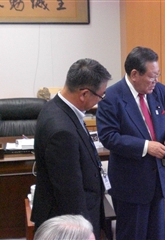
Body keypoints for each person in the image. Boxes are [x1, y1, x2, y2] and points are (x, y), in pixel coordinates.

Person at [96, 46, 165, 240]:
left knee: (156, 235)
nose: (156, 81)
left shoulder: (158, 91)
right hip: (130, 185)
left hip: (157, 180)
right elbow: (108, 136)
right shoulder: (111, 97)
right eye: (152, 76)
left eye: (157, 75)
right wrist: (145, 146)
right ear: (134, 74)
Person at [31, 58, 112, 240]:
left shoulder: (55, 107)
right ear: (84, 94)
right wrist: (86, 233)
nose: (100, 100)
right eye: (101, 95)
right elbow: (70, 193)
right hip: (69, 226)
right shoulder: (62, 130)